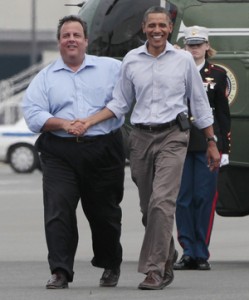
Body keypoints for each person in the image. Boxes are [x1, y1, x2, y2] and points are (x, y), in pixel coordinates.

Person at [71, 6, 221, 290]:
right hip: (140, 139)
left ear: (169, 29)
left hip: (174, 136)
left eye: (162, 26)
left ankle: (154, 270)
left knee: (162, 204)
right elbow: (120, 103)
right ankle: (167, 253)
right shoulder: (131, 60)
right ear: (143, 28)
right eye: (151, 25)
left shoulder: (183, 61)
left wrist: (211, 142)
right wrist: (89, 121)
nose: (156, 30)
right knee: (147, 208)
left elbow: (200, 104)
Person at [22, 15, 125, 289]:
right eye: (66, 35)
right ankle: (60, 271)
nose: (71, 39)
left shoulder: (112, 68)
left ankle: (110, 262)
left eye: (76, 35)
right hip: (60, 152)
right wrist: (64, 123)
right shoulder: (44, 78)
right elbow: (33, 115)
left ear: (86, 41)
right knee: (58, 211)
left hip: (103, 150)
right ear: (59, 42)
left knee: (105, 214)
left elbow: (128, 95)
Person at [174, 26, 231, 271]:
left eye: (199, 44)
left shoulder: (218, 74)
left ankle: (201, 251)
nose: (195, 48)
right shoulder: (176, 71)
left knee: (204, 198)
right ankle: (187, 250)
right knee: (183, 198)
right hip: (181, 140)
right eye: (190, 44)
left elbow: (224, 114)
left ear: (207, 46)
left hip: (209, 143)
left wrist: (225, 148)